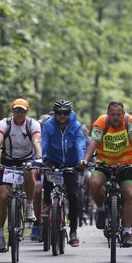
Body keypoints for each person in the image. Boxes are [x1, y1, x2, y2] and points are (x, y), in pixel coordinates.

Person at [79, 101, 132, 247]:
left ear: (123, 114)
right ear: (108, 114)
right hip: (104, 164)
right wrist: (85, 160)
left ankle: (127, 232)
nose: (116, 117)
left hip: (125, 165)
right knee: (94, 183)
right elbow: (94, 142)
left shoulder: (131, 122)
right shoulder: (101, 122)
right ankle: (102, 210)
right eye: (112, 114)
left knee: (129, 194)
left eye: (119, 114)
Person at [0, 98, 42, 252]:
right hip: (7, 162)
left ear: (27, 111)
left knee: (28, 172)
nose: (19, 113)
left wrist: (39, 158)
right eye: (17, 110)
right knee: (3, 197)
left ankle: (29, 207)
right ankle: (0, 235)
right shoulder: (4, 124)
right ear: (12, 110)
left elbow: (36, 142)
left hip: (26, 160)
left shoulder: (32, 124)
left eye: (22, 110)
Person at [40, 100, 86, 247]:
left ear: (69, 113)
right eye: (59, 113)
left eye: (65, 113)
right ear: (55, 114)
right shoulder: (48, 125)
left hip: (72, 162)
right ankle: (47, 204)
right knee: (46, 174)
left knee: (73, 195)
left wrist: (81, 161)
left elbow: (80, 144)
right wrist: (39, 158)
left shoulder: (76, 126)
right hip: (53, 159)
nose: (62, 116)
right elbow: (43, 143)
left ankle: (73, 231)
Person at [30, 110, 56, 242]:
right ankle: (36, 224)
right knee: (38, 190)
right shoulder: (36, 133)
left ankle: (58, 215)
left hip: (53, 165)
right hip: (39, 165)